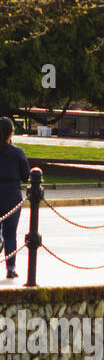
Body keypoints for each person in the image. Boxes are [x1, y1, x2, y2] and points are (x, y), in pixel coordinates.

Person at [0, 117, 30, 279]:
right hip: (12, 195)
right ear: (11, 132)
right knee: (10, 233)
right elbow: (26, 176)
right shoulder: (17, 152)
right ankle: (10, 268)